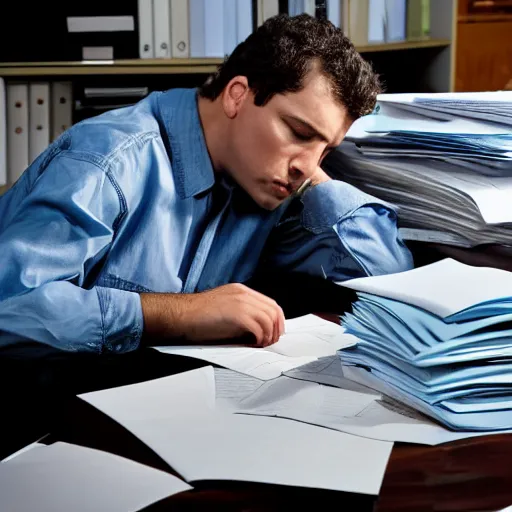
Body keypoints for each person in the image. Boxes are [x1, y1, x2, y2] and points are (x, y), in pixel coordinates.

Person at [0, 14, 413, 354]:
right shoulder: (108, 161)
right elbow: (10, 309)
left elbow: (390, 275)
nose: (307, 167)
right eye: (299, 131)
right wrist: (178, 314)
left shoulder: (272, 184)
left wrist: (313, 162)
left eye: (327, 149)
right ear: (237, 95)